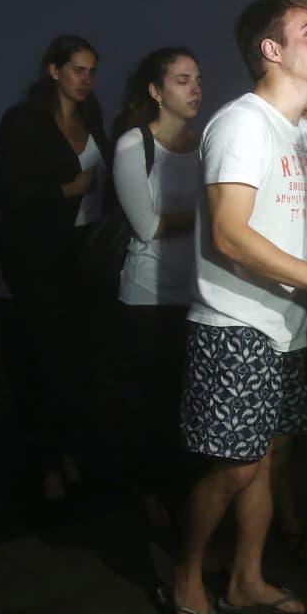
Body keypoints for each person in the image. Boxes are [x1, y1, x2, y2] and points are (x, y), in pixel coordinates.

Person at [160, 0, 307, 614]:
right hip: (234, 323)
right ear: (271, 49)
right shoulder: (240, 125)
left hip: (285, 325)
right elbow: (227, 236)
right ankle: (186, 573)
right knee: (233, 465)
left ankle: (246, 578)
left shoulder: (305, 133)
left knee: (269, 458)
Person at [0, 34, 109, 501]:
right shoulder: (24, 121)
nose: (87, 79)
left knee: (82, 361)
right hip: (39, 256)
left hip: (87, 253)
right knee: (44, 360)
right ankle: (48, 462)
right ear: (54, 70)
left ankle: (74, 451)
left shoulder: (93, 117)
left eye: (92, 70)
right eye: (78, 69)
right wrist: (66, 190)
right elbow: (6, 194)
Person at [111, 47, 202, 528]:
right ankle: (147, 497)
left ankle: (179, 498)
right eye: (182, 80)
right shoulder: (134, 144)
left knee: (185, 404)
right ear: (156, 90)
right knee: (151, 405)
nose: (194, 89)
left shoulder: (205, 145)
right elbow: (145, 226)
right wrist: (211, 216)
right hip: (147, 298)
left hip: (196, 297)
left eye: (197, 79)